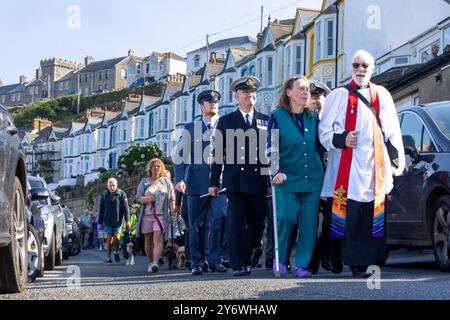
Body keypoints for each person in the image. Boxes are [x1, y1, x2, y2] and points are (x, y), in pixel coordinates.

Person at [319, 50, 405, 277]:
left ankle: (368, 261)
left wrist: (396, 162)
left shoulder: (382, 95)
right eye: (356, 65)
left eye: (365, 66)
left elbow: (393, 131)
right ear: (351, 68)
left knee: (370, 215)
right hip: (347, 166)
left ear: (372, 68)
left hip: (374, 165)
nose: (360, 70)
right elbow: (324, 131)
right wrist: (342, 138)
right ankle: (343, 259)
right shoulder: (338, 95)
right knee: (345, 215)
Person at [209, 76, 269, 277]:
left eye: (253, 92)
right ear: (236, 96)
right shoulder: (226, 121)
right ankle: (238, 263)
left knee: (258, 222)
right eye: (245, 92)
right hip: (235, 180)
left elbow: (273, 152)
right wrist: (213, 182)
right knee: (236, 223)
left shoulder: (265, 120)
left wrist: (271, 179)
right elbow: (218, 154)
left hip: (259, 180)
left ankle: (249, 253)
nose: (250, 95)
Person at [267, 76, 324, 277]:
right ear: (289, 92)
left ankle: (303, 265)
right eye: (301, 88)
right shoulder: (277, 116)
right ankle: (280, 259)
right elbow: (272, 147)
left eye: (307, 89)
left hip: (312, 178)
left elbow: (321, 145)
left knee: (309, 223)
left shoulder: (313, 117)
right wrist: (275, 171)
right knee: (286, 217)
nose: (305, 92)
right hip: (285, 177)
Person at [175, 89, 228, 276]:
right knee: (196, 225)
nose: (212, 104)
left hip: (220, 183)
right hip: (196, 183)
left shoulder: (226, 125)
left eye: (215, 101)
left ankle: (215, 259)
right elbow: (180, 157)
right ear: (201, 106)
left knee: (219, 220)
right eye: (208, 101)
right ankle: (196, 261)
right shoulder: (190, 128)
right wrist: (180, 179)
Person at [138, 158, 175, 273]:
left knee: (157, 239)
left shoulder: (166, 182)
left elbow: (172, 198)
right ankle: (150, 262)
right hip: (147, 215)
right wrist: (148, 198)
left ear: (161, 168)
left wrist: (172, 212)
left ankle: (155, 263)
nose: (156, 167)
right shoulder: (144, 181)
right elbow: (138, 198)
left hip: (160, 215)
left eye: (158, 166)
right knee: (148, 240)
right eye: (153, 166)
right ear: (150, 168)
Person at [99, 178, 130, 263]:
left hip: (118, 221)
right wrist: (100, 222)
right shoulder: (104, 195)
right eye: (110, 185)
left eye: (113, 185)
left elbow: (125, 208)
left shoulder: (121, 194)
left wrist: (127, 220)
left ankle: (116, 251)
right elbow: (101, 209)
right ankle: (109, 258)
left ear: (116, 185)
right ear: (107, 186)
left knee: (116, 238)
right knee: (109, 239)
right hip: (108, 221)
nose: (112, 187)